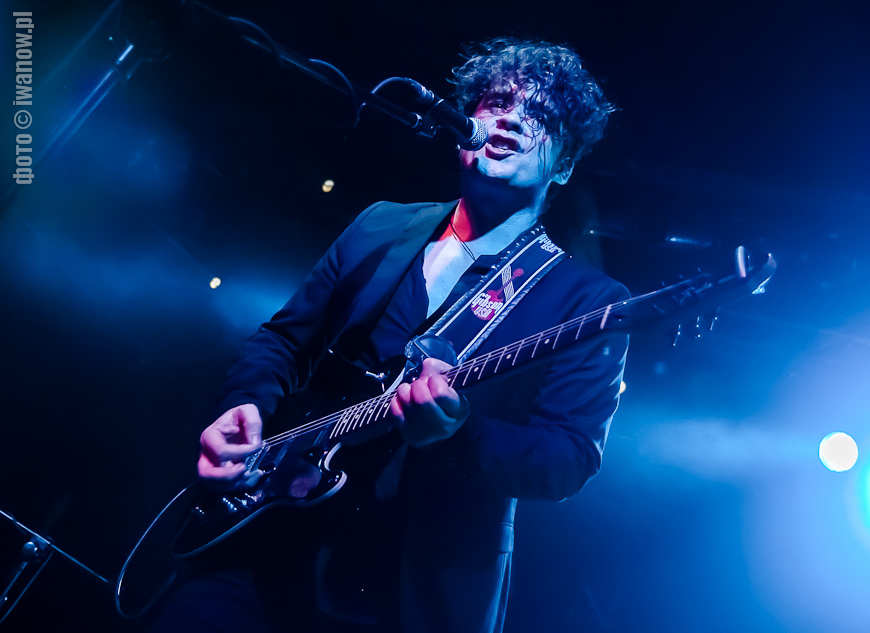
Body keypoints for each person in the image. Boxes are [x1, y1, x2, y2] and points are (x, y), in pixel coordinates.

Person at [152, 37, 627, 633]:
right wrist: (243, 404)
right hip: (269, 534)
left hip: (403, 586)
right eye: (497, 101)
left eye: (539, 115)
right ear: (463, 124)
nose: (510, 118)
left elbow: (569, 458)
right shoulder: (381, 225)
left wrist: (459, 433)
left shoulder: (585, 301)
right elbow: (284, 341)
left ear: (564, 165)